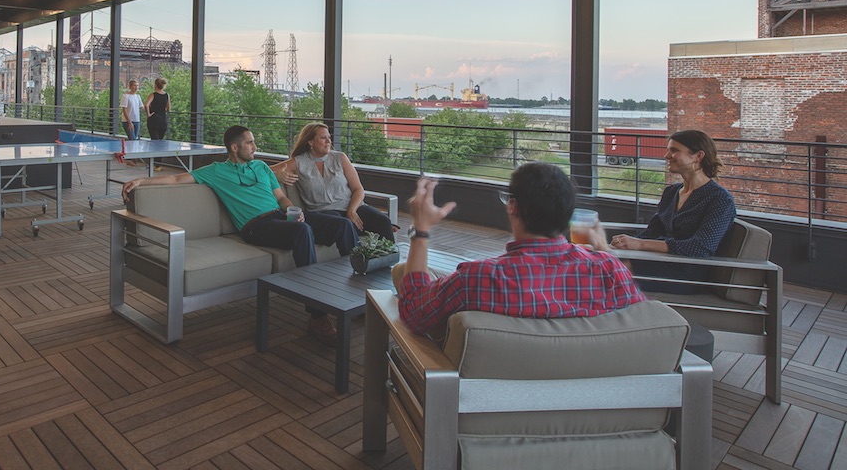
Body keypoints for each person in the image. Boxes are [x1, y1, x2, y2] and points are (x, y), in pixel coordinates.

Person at [121, 125, 358, 343]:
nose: (255, 147)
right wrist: (143, 180)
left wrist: (289, 208)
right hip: (255, 226)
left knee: (343, 226)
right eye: (250, 143)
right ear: (234, 147)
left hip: (279, 216)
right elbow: (176, 177)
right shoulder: (216, 171)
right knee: (302, 232)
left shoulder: (262, 167)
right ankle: (317, 316)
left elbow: (280, 196)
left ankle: (355, 294)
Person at [396, 162, 644, 336]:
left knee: (404, 273)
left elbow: (415, 313)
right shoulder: (611, 270)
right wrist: (602, 251)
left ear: (512, 206)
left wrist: (421, 228)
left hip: (486, 401)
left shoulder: (479, 278)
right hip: (593, 401)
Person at [610, 129, 736, 293]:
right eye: (668, 150)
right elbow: (652, 232)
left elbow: (700, 248)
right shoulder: (671, 192)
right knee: (600, 261)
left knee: (613, 271)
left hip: (687, 272)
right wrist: (621, 246)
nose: (666, 156)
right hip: (659, 260)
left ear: (698, 156)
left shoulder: (719, 199)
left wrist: (639, 244)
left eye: (674, 150)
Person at [272, 123, 396, 242]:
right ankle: (355, 261)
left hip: (352, 206)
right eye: (323, 138)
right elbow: (264, 170)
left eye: (329, 138)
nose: (328, 141)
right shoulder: (298, 162)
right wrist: (277, 174)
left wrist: (351, 210)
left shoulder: (340, 158)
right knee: (345, 225)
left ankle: (389, 261)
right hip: (323, 212)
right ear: (310, 142)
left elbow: (358, 189)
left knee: (383, 221)